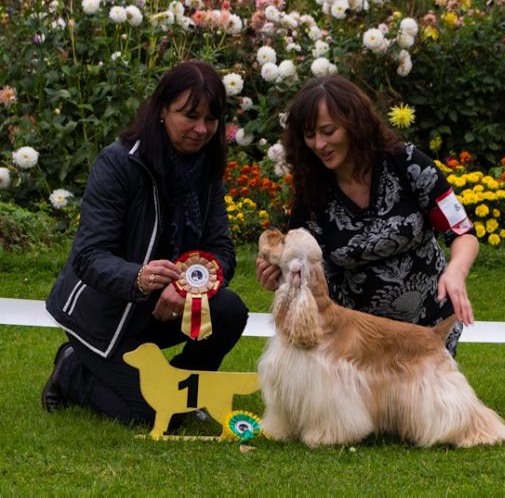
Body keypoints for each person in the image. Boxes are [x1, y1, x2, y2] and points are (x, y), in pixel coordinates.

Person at [43, 60, 249, 426]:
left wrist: (187, 286)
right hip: (102, 315)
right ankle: (71, 368)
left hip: (161, 305)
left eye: (211, 119)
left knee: (230, 309)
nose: (201, 129)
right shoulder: (118, 162)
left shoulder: (208, 167)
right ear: (162, 110)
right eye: (190, 115)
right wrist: (139, 277)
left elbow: (223, 252)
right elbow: (88, 256)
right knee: (154, 417)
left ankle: (186, 391)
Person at [256, 75, 479, 356]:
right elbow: (305, 266)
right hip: (354, 343)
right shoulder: (310, 193)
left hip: (428, 332)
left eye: (328, 131)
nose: (319, 144)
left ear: (354, 124)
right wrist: (278, 275)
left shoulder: (408, 164)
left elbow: (462, 232)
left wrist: (456, 272)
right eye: (310, 135)